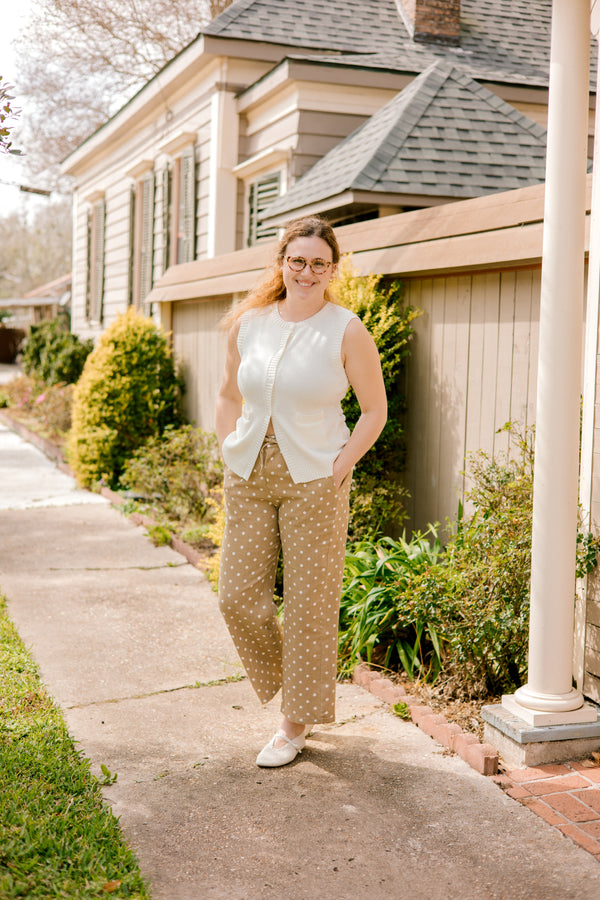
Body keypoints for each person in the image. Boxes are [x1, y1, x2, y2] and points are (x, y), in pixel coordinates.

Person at [215, 215, 387, 767]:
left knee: (310, 607)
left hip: (316, 477)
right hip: (249, 472)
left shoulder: (346, 329)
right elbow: (226, 396)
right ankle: (294, 682)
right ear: (282, 263)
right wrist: (227, 446)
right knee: (237, 597)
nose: (307, 271)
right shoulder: (250, 323)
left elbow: (375, 411)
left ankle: (295, 723)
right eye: (298, 260)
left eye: (319, 263)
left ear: (332, 269)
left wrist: (341, 466)